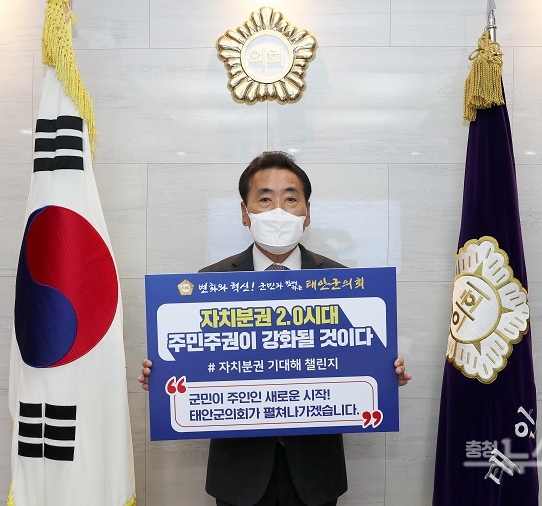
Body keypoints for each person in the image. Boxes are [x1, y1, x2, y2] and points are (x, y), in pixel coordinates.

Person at [138, 151, 412, 506]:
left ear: (307, 212)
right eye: (265, 199)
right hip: (239, 474)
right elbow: (193, 360)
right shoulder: (209, 283)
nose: (278, 211)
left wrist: (386, 371)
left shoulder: (344, 282)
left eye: (290, 199)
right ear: (245, 212)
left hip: (316, 473)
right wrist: (163, 373)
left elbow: (359, 355)